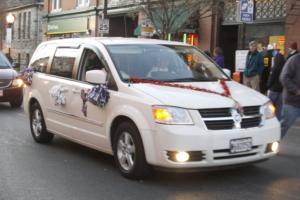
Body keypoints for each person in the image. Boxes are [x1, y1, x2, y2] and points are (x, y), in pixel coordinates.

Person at [280, 53, 300, 138]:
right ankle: (272, 146)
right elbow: (284, 77)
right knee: (285, 126)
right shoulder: (294, 60)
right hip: (292, 102)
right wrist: (296, 90)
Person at [267, 48, 285, 120]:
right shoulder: (284, 66)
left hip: (273, 89)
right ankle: (278, 120)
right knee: (279, 107)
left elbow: (272, 77)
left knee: (269, 105)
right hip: (281, 89)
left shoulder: (275, 67)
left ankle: (269, 119)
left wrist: (268, 85)